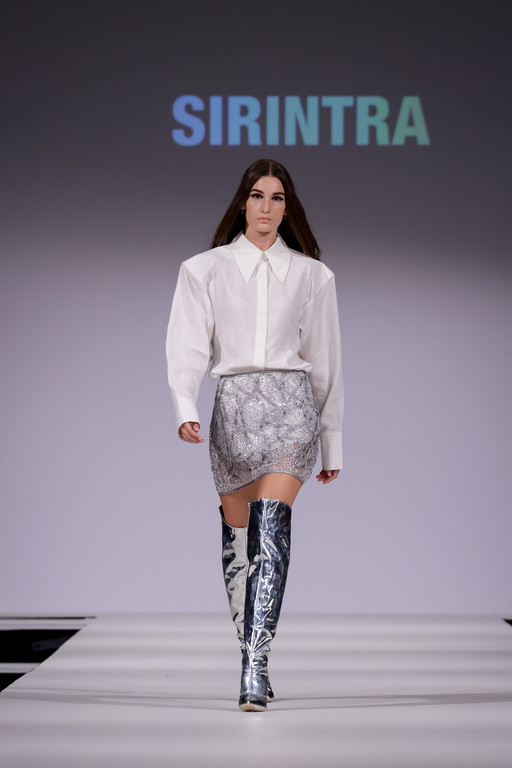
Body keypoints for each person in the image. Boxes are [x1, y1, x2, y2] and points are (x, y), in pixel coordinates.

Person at [166, 158, 343, 712]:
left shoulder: (313, 276)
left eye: (277, 197)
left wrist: (332, 438)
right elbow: (186, 343)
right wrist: (183, 404)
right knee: (239, 545)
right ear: (243, 202)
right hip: (234, 412)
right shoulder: (204, 269)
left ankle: (255, 665)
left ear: (288, 209)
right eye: (258, 195)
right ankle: (249, 650)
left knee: (271, 530)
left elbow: (326, 362)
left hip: (292, 408)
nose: (266, 206)